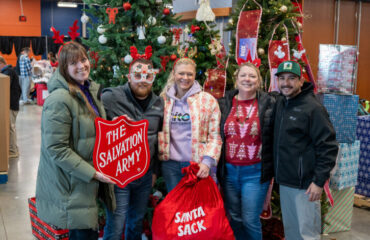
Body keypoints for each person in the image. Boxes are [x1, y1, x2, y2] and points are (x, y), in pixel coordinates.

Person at [35, 41, 115, 240]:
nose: (82, 65)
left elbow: (95, 129)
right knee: (82, 234)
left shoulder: (87, 91)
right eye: (74, 63)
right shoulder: (60, 99)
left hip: (84, 182)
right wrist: (93, 173)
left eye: (83, 59)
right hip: (72, 185)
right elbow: (56, 148)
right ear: (64, 68)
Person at [273, 60, 338, 240]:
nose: (286, 83)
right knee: (292, 231)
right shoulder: (281, 103)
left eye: (292, 78)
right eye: (282, 78)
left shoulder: (313, 109)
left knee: (306, 234)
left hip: (306, 186)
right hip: (286, 182)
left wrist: (318, 181)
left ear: (301, 81)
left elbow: (329, 147)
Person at [101, 55, 164, 240]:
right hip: (118, 174)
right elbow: (93, 124)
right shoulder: (111, 97)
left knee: (135, 222)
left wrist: (154, 171)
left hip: (144, 176)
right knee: (116, 224)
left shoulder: (159, 103)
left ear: (153, 78)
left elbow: (159, 139)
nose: (142, 81)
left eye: (148, 76)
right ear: (129, 77)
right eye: (137, 75)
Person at [217, 62, 274, 240]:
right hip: (229, 172)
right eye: (243, 75)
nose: (247, 79)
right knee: (234, 216)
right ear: (236, 79)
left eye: (252, 76)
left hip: (255, 173)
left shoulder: (268, 103)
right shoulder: (224, 102)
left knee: (250, 219)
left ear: (258, 81)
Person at [158, 57, 222, 192]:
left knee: (198, 210)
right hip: (171, 166)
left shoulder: (208, 101)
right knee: (176, 208)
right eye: (181, 73)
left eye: (190, 74)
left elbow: (215, 136)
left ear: (194, 76)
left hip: (198, 165)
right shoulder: (163, 101)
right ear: (174, 74)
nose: (185, 77)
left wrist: (207, 162)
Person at [0, 56, 21, 158]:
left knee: (10, 127)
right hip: (12, 104)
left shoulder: (7, 72)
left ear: (1, 63)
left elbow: (4, 86)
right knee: (10, 127)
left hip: (11, 105)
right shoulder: (9, 71)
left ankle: (13, 151)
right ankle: (13, 149)